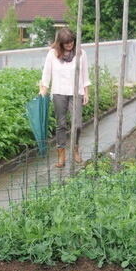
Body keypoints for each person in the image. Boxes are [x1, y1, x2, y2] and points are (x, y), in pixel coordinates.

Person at [39, 27, 90, 168]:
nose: (70, 45)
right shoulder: (52, 54)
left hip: (76, 92)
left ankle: (75, 148)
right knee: (61, 124)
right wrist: (43, 89)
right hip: (59, 92)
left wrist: (86, 92)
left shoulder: (81, 53)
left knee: (77, 124)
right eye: (66, 43)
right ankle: (61, 154)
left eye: (71, 41)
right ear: (60, 43)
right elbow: (46, 73)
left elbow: (85, 73)